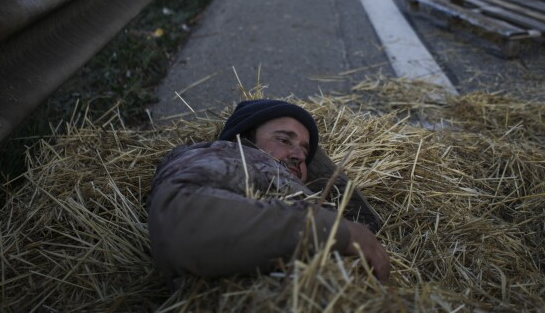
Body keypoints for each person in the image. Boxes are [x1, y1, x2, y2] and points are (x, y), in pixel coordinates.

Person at [148, 99, 390, 286]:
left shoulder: (278, 178)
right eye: (284, 140)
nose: (299, 156)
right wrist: (332, 231)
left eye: (306, 152)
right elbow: (183, 223)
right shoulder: (227, 156)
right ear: (241, 140)